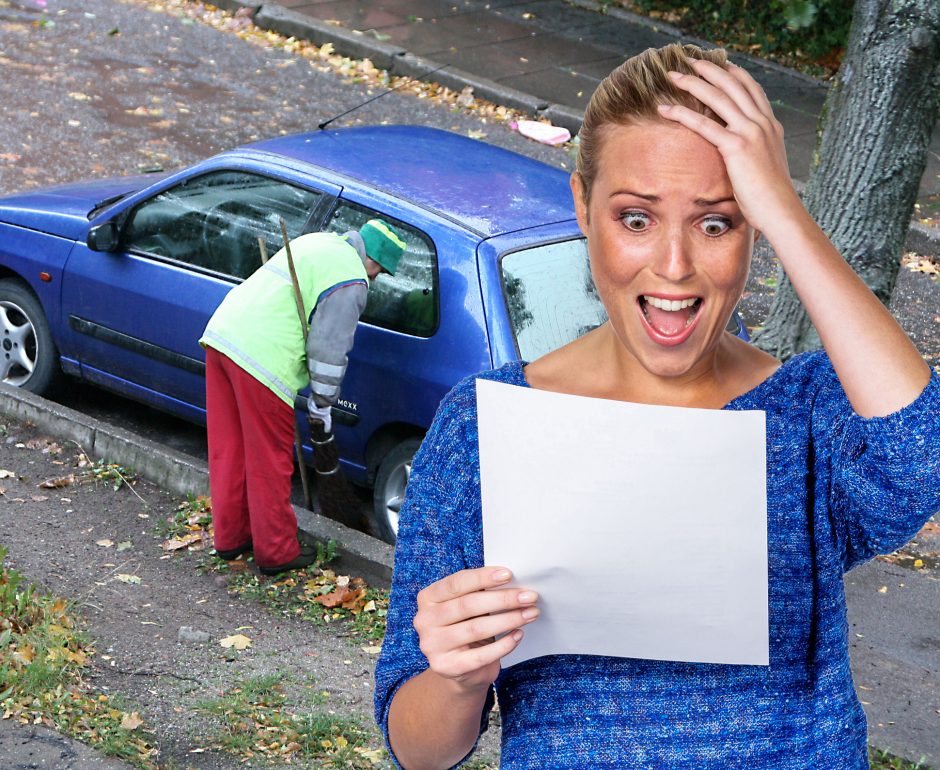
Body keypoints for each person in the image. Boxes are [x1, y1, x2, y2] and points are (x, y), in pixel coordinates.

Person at [373, 43, 940, 769]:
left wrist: (787, 214)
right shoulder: (485, 428)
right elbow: (416, 751)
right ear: (582, 206)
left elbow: (924, 451)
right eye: (635, 218)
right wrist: (456, 678)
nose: (673, 266)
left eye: (717, 223)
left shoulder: (807, 416)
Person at [200, 219, 406, 575]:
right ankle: (276, 552)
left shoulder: (317, 243)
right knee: (270, 459)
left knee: (230, 448)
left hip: (222, 337)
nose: (375, 279)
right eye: (379, 272)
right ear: (373, 260)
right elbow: (329, 347)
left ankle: (231, 538)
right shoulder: (351, 280)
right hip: (263, 358)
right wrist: (322, 404)